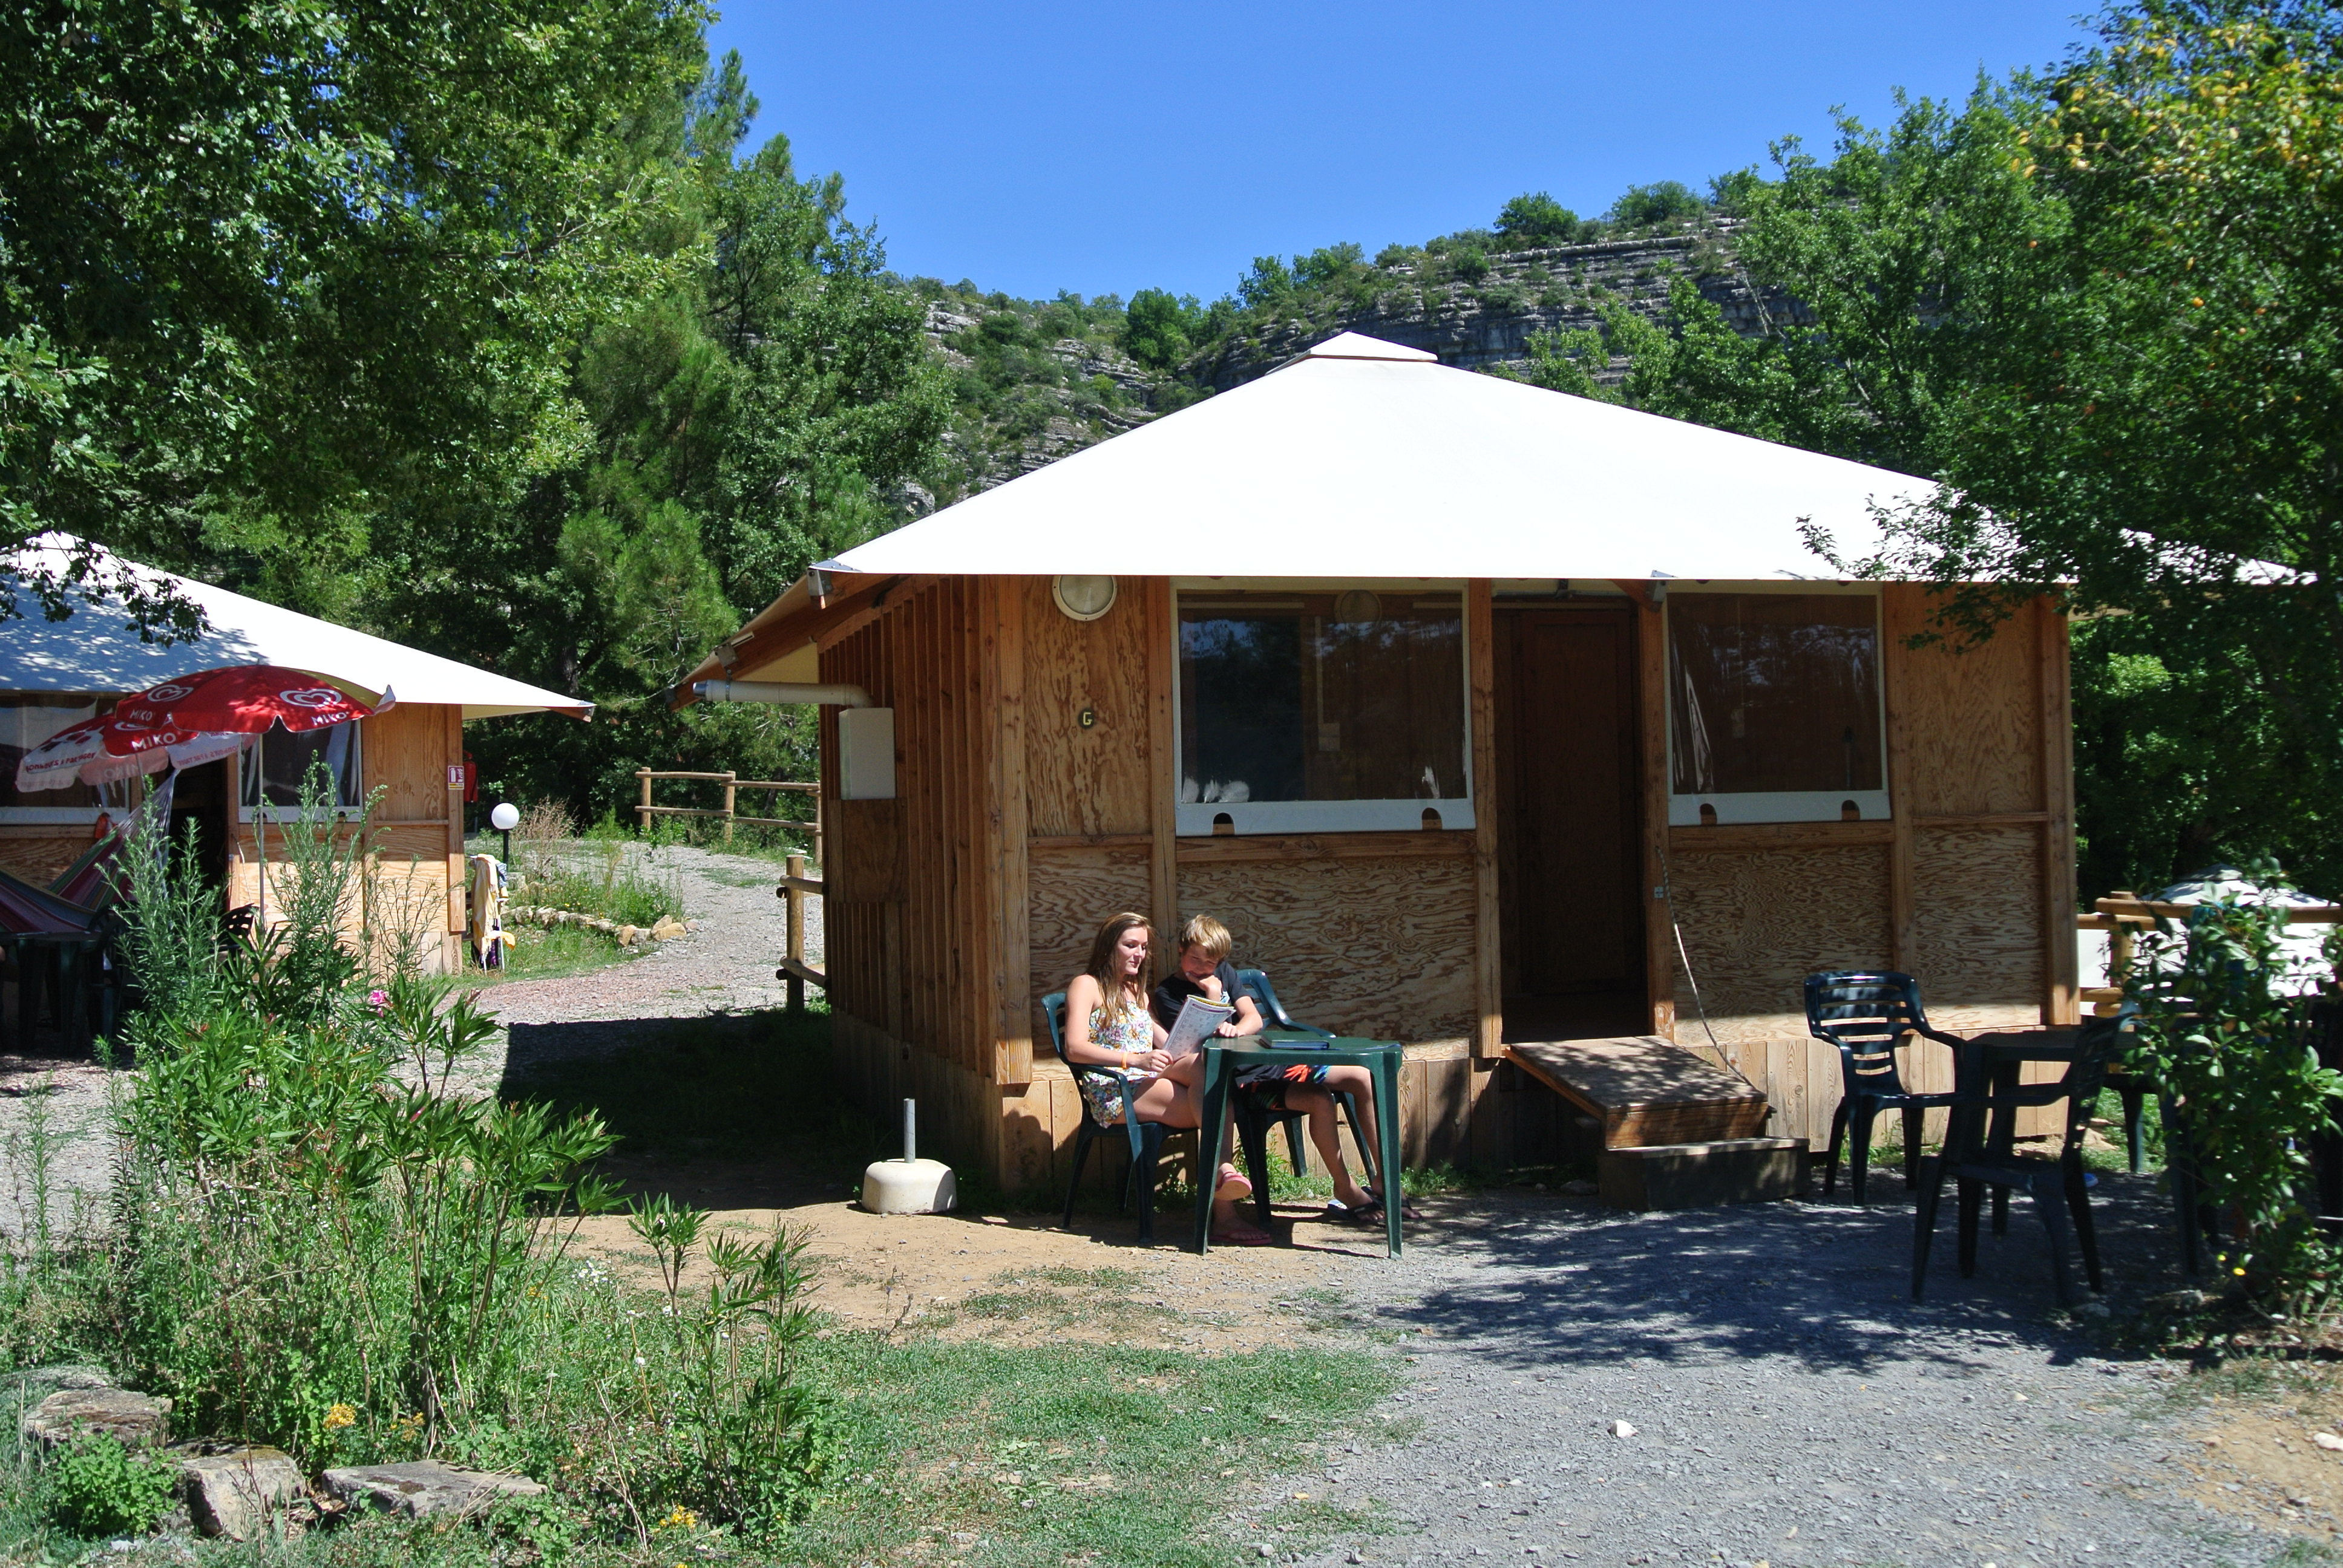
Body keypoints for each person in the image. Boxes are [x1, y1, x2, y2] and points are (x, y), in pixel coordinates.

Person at [1151, 915, 1398, 1227]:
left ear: (1222, 961)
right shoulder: (1169, 993)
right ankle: (1346, 1188)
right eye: (1194, 958)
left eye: (1209, 962)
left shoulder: (1225, 973)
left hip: (1268, 1063)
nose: (1200, 968)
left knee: (1361, 1075)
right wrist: (1212, 997)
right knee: (1320, 1099)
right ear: (1181, 951)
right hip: (1241, 1081)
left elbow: (1253, 1019)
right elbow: (1196, 1044)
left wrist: (1238, 1030)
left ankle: (1385, 1181)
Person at [1063, 910, 1270, 1245]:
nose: (1139, 954)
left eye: (1144, 947)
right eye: (1130, 945)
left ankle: (1223, 1181)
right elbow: (1074, 1048)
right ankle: (1224, 1203)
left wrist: (1200, 1024)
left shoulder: (1136, 992)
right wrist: (1134, 1059)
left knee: (1210, 1079)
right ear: (1108, 946)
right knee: (1218, 1103)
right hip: (1114, 1088)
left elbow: (1164, 1042)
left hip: (1146, 1076)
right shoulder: (1087, 985)